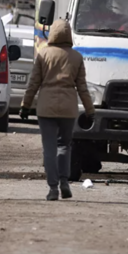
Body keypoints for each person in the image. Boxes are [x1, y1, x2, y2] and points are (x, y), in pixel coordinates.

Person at [20, 19, 95, 201]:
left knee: (49, 148)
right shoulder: (76, 57)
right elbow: (82, 87)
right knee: (64, 146)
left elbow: (33, 84)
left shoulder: (43, 55)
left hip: (46, 108)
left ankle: (53, 187)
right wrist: (90, 110)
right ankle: (64, 182)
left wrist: (25, 105)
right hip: (68, 108)